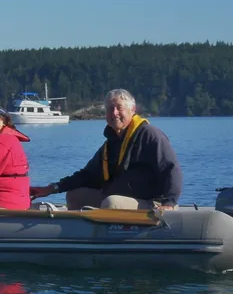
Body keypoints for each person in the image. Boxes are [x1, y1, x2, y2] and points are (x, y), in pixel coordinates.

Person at [30, 89, 182, 210]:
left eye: (119, 108)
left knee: (111, 202)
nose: (114, 113)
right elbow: (86, 175)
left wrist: (170, 203)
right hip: (115, 198)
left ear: (132, 110)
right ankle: (81, 242)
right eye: (110, 109)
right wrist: (52, 188)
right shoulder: (110, 145)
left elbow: (171, 168)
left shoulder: (150, 135)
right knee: (75, 195)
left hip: (151, 203)